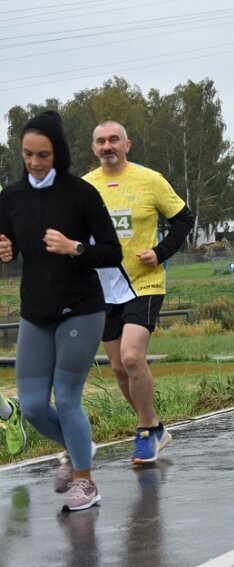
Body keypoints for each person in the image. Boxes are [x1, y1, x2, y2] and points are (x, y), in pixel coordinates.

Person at [0, 111, 122, 510]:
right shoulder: (12, 196)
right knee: (33, 406)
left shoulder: (80, 194)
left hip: (81, 311)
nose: (34, 163)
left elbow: (112, 251)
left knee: (67, 399)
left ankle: (85, 481)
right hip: (35, 312)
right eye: (28, 155)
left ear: (59, 154)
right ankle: (76, 447)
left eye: (44, 155)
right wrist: (5, 251)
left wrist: (76, 248)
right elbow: (9, 244)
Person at [83, 121, 194, 465]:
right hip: (103, 288)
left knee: (132, 357)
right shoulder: (84, 187)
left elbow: (183, 219)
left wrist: (160, 253)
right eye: (100, 141)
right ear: (93, 148)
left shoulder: (150, 180)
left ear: (127, 144)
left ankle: (146, 430)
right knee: (118, 368)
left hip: (143, 283)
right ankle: (157, 426)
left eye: (113, 139)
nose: (107, 146)